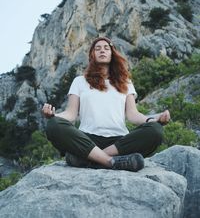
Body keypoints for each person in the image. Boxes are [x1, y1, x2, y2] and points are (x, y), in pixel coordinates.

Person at [42, 37, 170, 172]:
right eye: (97, 49)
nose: (102, 51)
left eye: (106, 48)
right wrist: (54, 116)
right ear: (92, 55)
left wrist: (153, 120)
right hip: (87, 139)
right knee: (53, 125)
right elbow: (71, 114)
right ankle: (110, 161)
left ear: (112, 53)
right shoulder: (80, 81)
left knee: (155, 130)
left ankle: (90, 159)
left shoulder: (125, 82)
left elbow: (133, 115)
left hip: (118, 142)